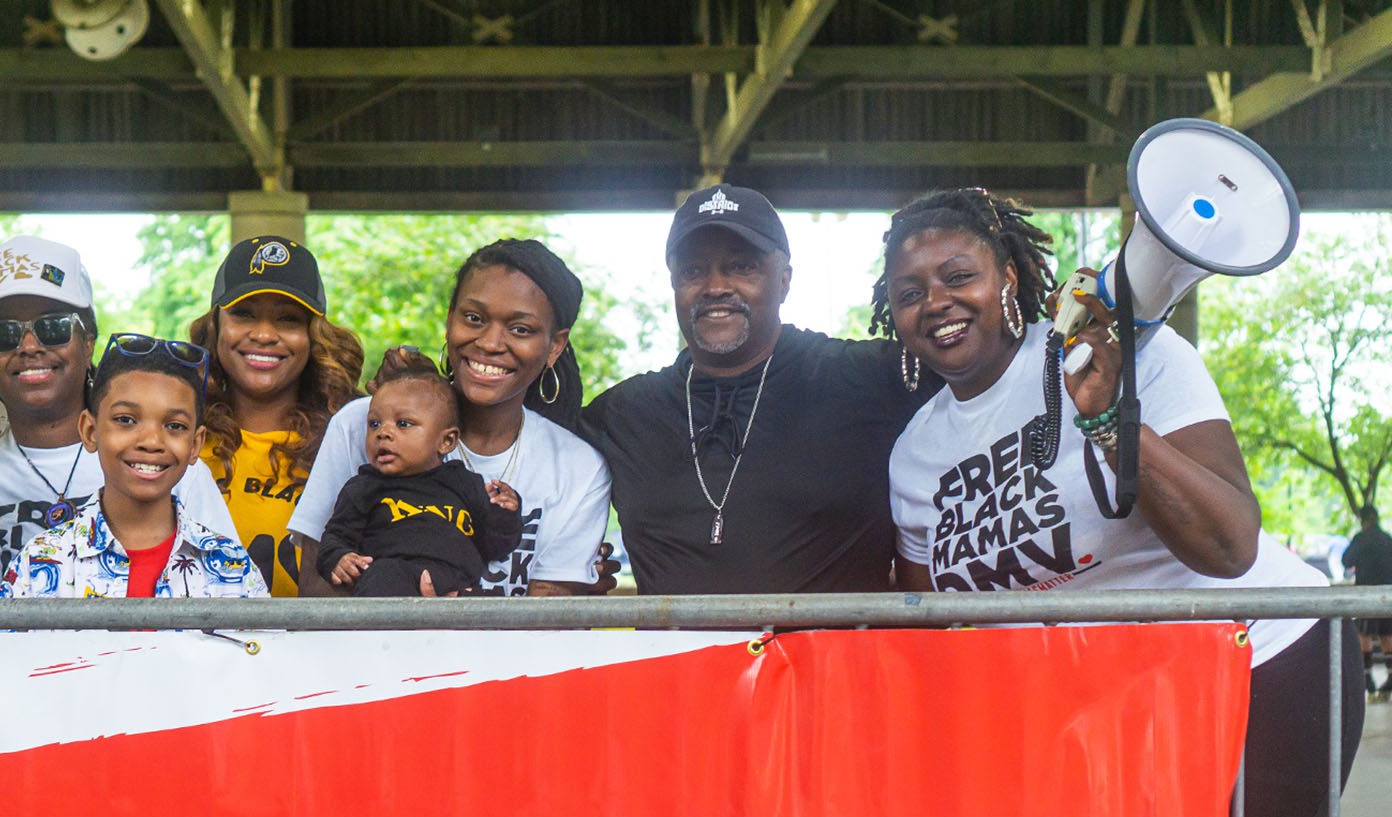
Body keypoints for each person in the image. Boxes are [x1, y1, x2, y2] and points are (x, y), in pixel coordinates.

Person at [874, 186, 1363, 817]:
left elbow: (1230, 546)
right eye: (911, 289)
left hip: (1262, 680)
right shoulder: (914, 456)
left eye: (958, 274)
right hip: (1113, 734)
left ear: (1010, 277)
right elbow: (948, 646)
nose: (938, 301)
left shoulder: (1127, 355)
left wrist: (1112, 421)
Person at [581, 184, 930, 595]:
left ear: (783, 281)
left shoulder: (872, 379)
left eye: (741, 266)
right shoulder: (624, 415)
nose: (715, 287)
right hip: (674, 658)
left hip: (833, 658)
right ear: (673, 284)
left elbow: (988, 377)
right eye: (693, 271)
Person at [288, 239, 610, 597]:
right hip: (371, 651)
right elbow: (316, 585)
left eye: (520, 329)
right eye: (473, 318)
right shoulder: (366, 425)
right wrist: (397, 616)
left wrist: (456, 630)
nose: (489, 342)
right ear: (449, 320)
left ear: (554, 346)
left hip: (506, 655)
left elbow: (553, 622)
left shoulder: (579, 468)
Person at [0, 235, 238, 571]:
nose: (29, 346)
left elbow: (226, 581)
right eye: (2, 334)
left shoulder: (168, 463)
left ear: (88, 341)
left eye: (54, 328)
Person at [1, 333, 266, 599]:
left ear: (195, 444)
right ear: (90, 431)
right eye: (126, 420)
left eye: (175, 426)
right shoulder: (39, 562)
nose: (151, 442)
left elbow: (259, 643)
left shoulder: (234, 568)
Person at [187, 235, 365, 595]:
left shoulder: (352, 439)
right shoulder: (181, 435)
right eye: (243, 314)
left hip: (316, 649)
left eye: (288, 319)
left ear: (314, 336)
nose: (265, 334)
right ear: (214, 326)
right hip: (195, 648)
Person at [317, 351, 523, 596]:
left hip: (458, 590)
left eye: (403, 424)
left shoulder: (464, 483)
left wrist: (505, 513)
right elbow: (335, 537)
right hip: (391, 580)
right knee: (382, 577)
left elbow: (496, 547)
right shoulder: (363, 487)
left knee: (497, 606)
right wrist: (339, 559)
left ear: (446, 441)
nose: (384, 432)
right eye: (374, 424)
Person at [1342, 504, 1392, 699]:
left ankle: (1367, 679)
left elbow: (1346, 560)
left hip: (1365, 595)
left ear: (1363, 520)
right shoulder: (1387, 539)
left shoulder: (1360, 539)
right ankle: (1390, 679)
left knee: (1364, 636)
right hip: (1387, 595)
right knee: (1387, 637)